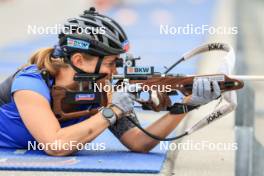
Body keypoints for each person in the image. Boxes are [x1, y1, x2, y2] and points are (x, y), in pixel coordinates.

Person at [0, 7, 220, 156]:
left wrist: (185, 106)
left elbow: (138, 141)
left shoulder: (100, 86)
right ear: (78, 60)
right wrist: (112, 111)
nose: (115, 70)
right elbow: (56, 145)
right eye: (111, 63)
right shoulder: (31, 84)